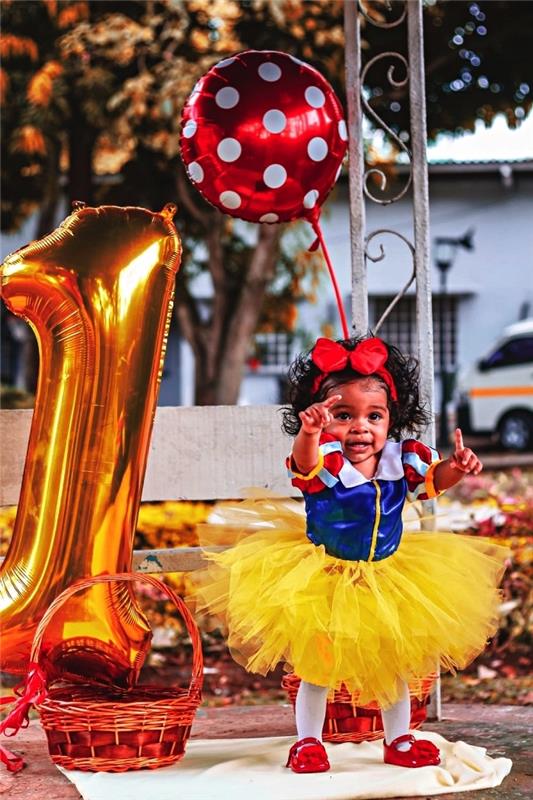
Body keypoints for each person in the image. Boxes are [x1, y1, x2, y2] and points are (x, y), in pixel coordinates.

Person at [194, 335, 509, 774]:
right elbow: (302, 464)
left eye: (374, 416)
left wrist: (458, 466)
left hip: (390, 576)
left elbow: (433, 482)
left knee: (394, 666)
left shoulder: (404, 459)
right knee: (318, 667)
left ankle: (398, 738)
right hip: (324, 577)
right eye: (343, 415)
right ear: (323, 420)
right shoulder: (322, 460)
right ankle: (309, 742)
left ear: (391, 419)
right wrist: (310, 432)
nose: (360, 427)